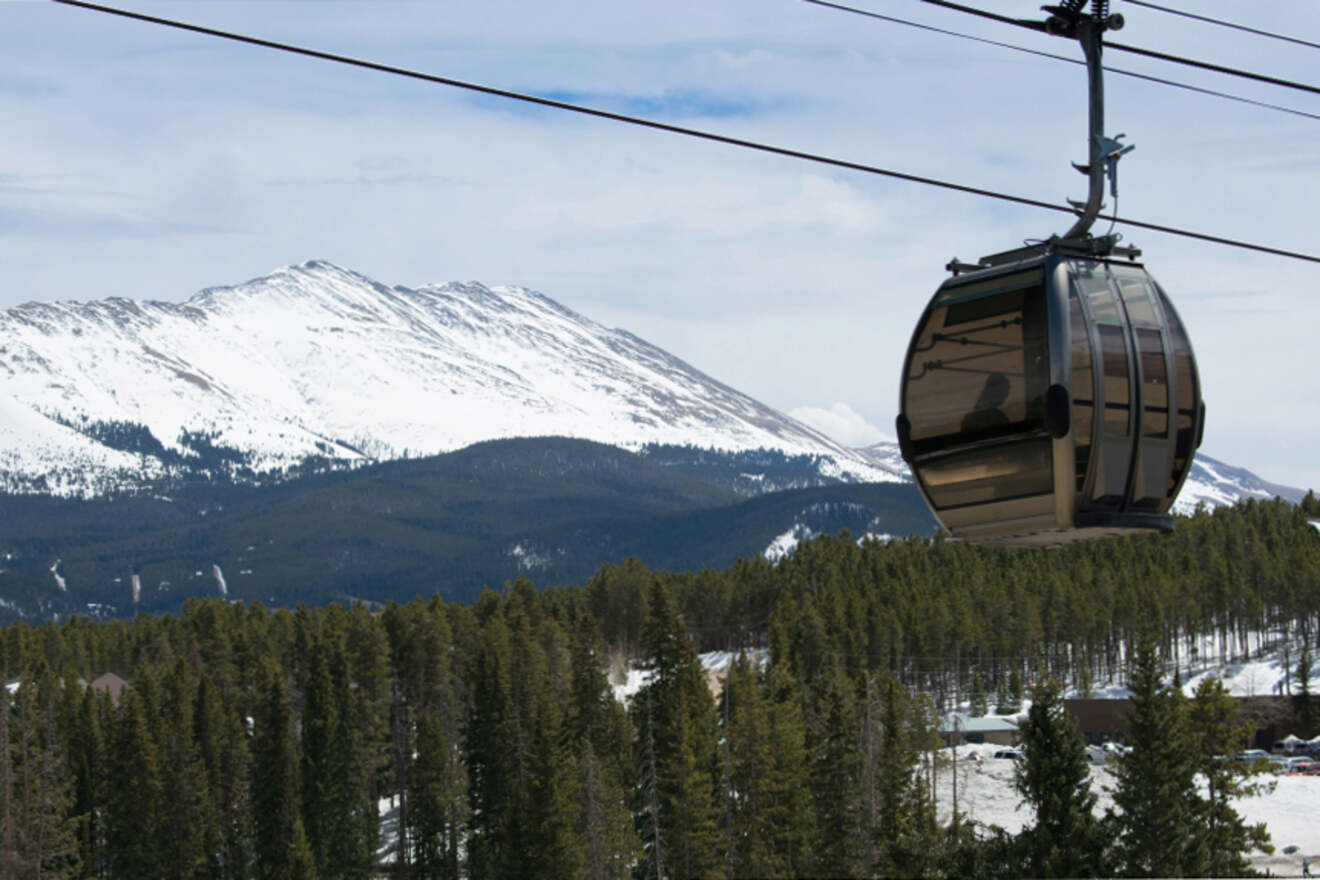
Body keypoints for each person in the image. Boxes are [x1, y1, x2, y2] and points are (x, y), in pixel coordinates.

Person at [961, 371, 1012, 436]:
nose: (1005, 396)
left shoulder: (970, 418)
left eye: (1006, 392)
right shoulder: (997, 417)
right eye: (1004, 392)